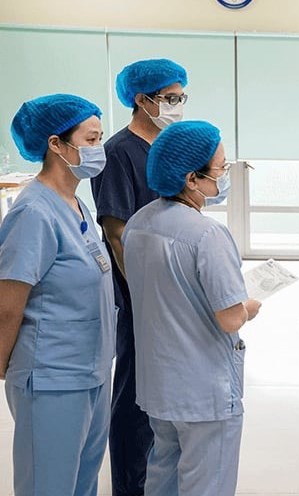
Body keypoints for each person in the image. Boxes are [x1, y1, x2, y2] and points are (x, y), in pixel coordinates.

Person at [122, 120, 260, 496]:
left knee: (163, 472)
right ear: (192, 179)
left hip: (160, 384)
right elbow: (230, 317)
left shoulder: (138, 224)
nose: (224, 176)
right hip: (204, 390)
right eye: (220, 169)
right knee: (207, 483)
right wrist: (249, 306)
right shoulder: (207, 234)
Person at [0, 94, 115, 495]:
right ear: (55, 144)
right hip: (52, 377)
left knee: (82, 483)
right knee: (48, 486)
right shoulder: (34, 212)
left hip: (91, 370)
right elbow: (7, 305)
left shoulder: (75, 203)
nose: (98, 149)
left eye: (100, 138)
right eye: (91, 139)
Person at [90, 57, 188, 496]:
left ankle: (157, 480)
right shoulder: (118, 152)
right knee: (134, 394)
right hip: (139, 295)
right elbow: (117, 233)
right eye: (170, 98)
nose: (177, 105)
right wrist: (147, 297)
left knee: (160, 393)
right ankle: (129, 486)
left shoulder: (165, 147)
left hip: (169, 289)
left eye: (181, 97)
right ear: (142, 99)